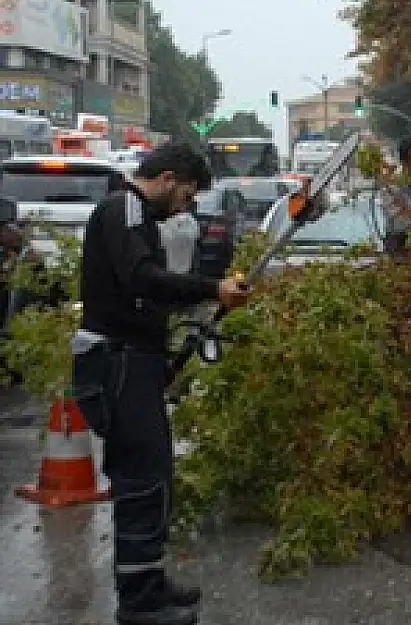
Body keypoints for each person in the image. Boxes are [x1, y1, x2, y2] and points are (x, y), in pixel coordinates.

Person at [71, 142, 253, 625]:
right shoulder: (123, 209)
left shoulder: (142, 220)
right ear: (167, 177)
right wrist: (211, 289)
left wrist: (173, 345)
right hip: (115, 361)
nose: (188, 205)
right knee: (140, 481)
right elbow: (140, 279)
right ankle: (138, 603)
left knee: (154, 476)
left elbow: (148, 295)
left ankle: (147, 579)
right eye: (188, 193)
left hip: (134, 361)